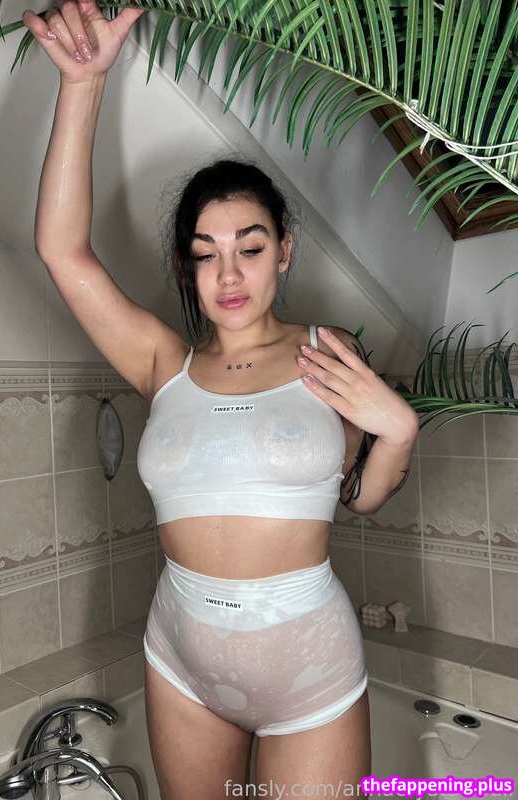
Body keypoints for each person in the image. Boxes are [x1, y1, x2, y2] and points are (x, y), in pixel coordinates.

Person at [23, 2, 420, 797]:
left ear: (285, 251)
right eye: (205, 254)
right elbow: (62, 252)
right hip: (181, 657)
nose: (229, 275)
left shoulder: (328, 352)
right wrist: (83, 86)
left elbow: (361, 497)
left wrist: (400, 433)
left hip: (307, 668)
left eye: (250, 247)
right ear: (188, 266)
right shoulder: (161, 361)